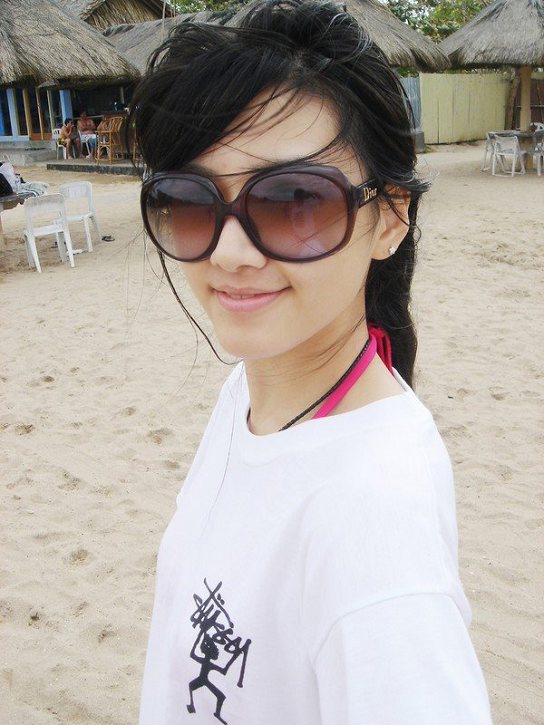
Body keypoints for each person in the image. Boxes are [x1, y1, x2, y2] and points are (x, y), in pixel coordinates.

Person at [130, 1, 493, 723]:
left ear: (390, 217)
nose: (231, 252)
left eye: (294, 200)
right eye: (191, 201)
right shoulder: (249, 394)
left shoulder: (373, 515)